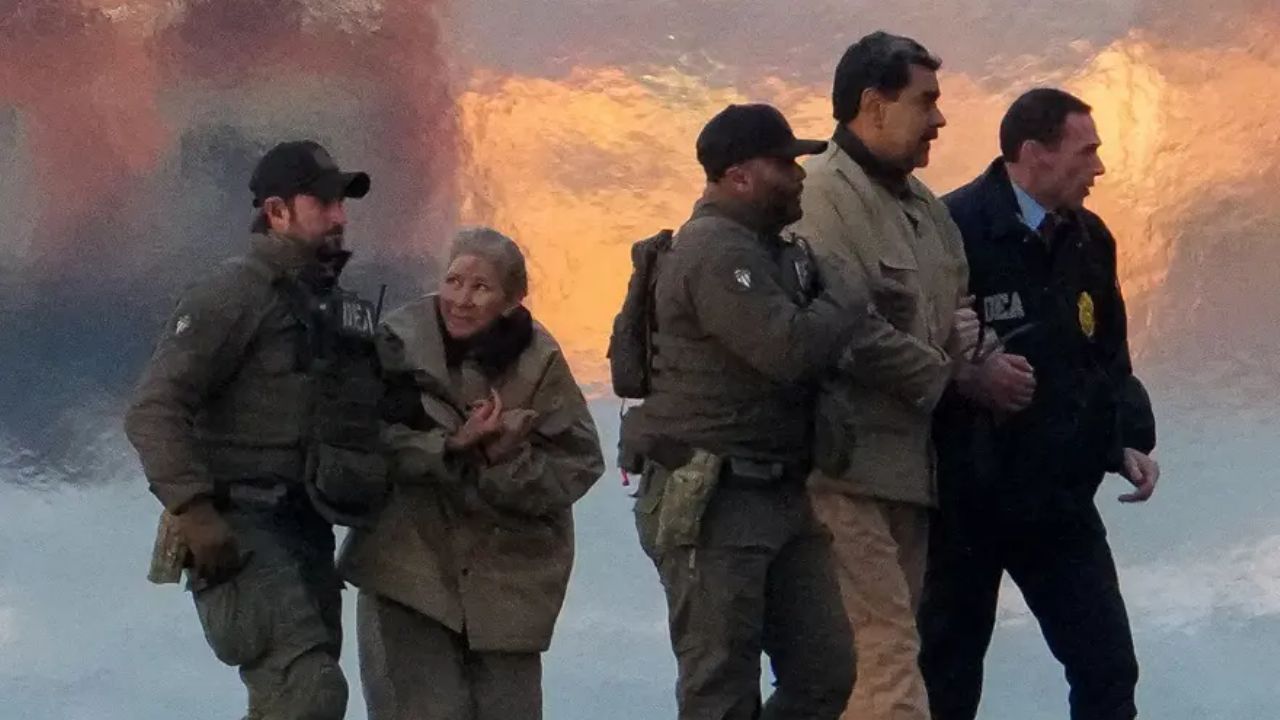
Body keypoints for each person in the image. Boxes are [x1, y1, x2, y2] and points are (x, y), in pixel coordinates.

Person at [789, 32, 1019, 720]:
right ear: (873, 105)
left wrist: (978, 358)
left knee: (869, 669)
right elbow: (843, 331)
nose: (940, 119)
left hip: (910, 477)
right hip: (840, 475)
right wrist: (950, 372)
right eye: (926, 101)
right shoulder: (820, 197)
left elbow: (959, 315)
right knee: (885, 664)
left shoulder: (926, 211)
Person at [919, 87, 1160, 720]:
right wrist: (970, 376)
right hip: (966, 504)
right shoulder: (952, 230)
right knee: (946, 678)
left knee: (1109, 670)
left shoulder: (1089, 238)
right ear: (1034, 153)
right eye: (1087, 152)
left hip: (1058, 500)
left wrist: (1126, 439)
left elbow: (1107, 354)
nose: (1099, 168)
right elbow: (903, 350)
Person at [623, 103, 862, 719]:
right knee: (721, 691)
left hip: (779, 489)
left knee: (825, 671)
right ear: (738, 175)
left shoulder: (766, 249)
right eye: (783, 163)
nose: (798, 175)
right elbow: (787, 350)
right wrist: (847, 296)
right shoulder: (715, 251)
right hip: (716, 499)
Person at [125, 140, 378, 720]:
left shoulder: (332, 307)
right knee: (309, 693)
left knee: (300, 699)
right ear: (277, 211)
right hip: (240, 526)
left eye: (342, 203)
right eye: (324, 202)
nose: (340, 217)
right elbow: (153, 409)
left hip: (308, 528)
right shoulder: (234, 294)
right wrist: (195, 511)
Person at [339, 227, 605, 720]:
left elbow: (580, 462)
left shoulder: (540, 361)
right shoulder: (396, 342)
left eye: (480, 287)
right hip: (410, 569)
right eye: (453, 280)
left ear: (511, 300)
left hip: (508, 581)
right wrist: (450, 445)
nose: (461, 299)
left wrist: (504, 459)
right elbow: (362, 439)